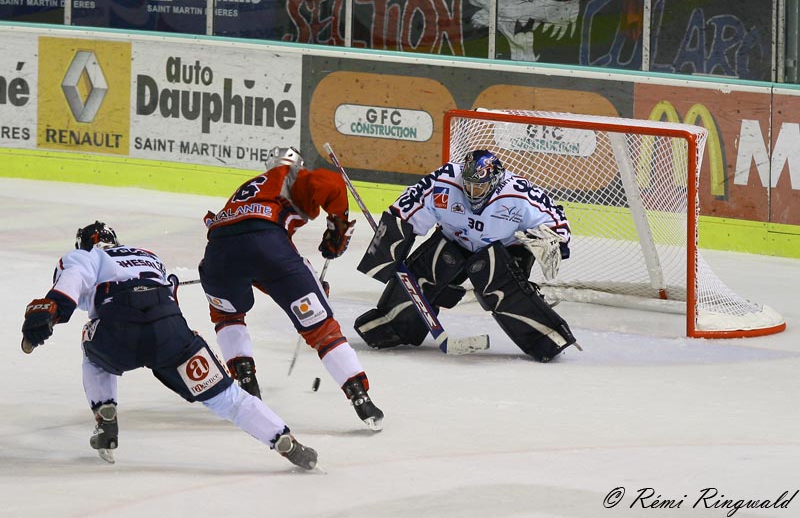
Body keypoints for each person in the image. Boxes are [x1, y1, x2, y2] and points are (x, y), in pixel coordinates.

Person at [21, 221, 318, 470]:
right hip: (170, 330)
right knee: (228, 397)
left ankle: (105, 415)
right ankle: (284, 440)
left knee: (93, 350)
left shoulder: (85, 256)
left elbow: (75, 279)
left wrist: (53, 308)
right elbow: (168, 292)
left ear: (84, 244)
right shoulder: (147, 255)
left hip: (117, 331)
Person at [199, 146, 384, 431]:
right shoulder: (287, 176)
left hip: (217, 256)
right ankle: (360, 396)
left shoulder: (247, 189)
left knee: (228, 317)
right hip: (269, 247)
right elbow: (331, 184)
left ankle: (246, 383)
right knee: (321, 328)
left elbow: (245, 247)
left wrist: (302, 281)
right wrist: (338, 224)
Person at [355, 149, 578, 363]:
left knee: (500, 289)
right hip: (455, 240)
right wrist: (391, 244)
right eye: (468, 185)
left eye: (479, 187)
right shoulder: (444, 180)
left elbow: (556, 221)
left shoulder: (518, 193)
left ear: (496, 181)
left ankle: (547, 337)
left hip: (505, 250)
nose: (472, 192)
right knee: (426, 274)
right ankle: (392, 325)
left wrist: (551, 241)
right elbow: (406, 208)